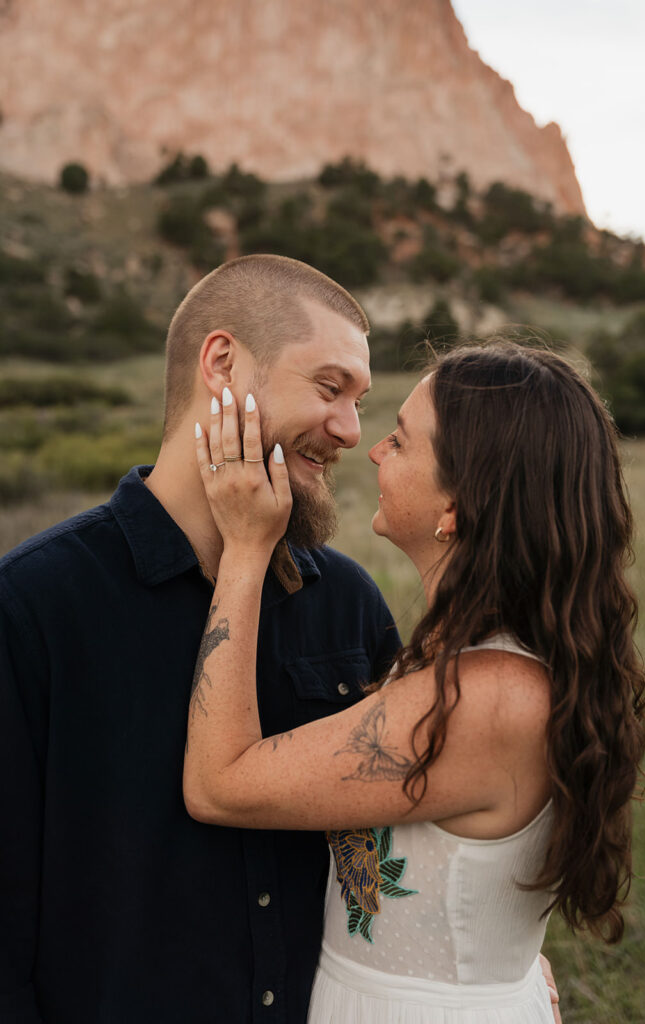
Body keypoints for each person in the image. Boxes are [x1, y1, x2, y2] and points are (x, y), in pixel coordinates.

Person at [183, 341, 645, 1023]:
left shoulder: (483, 694)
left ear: (457, 506)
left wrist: (247, 548)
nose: (373, 452)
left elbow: (217, 783)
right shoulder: (472, 659)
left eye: (400, 441)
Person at [0, 255, 402, 1023]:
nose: (351, 431)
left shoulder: (348, 604)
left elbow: (391, 862)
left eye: (359, 400)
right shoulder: (32, 606)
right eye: (329, 388)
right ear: (221, 363)